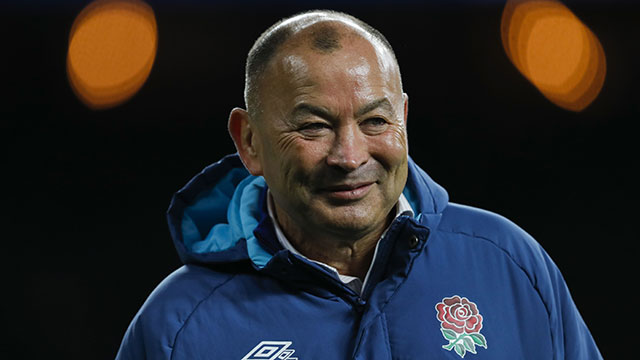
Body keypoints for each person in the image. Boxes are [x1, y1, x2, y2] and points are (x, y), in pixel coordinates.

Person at [115, 10, 602, 360]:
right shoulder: (176, 328)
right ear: (250, 142)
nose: (349, 156)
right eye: (313, 126)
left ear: (404, 120)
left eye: (374, 121)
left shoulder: (509, 263)